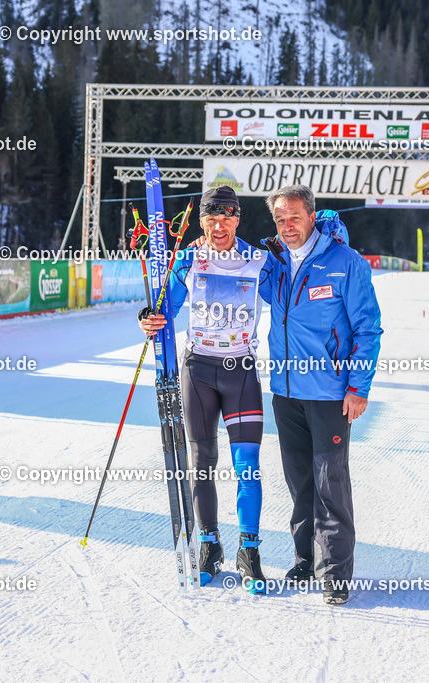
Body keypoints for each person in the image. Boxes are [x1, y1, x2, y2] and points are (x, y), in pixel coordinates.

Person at [139, 186, 270, 594]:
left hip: (241, 370)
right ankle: (210, 544)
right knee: (202, 461)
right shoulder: (188, 259)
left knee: (247, 464)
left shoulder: (259, 260)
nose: (219, 225)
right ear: (202, 222)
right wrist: (148, 317)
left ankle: (250, 551)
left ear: (237, 220)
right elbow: (165, 308)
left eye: (227, 217)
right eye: (211, 218)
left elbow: (299, 269)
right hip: (198, 369)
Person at [257, 185, 383, 606]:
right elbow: (227, 263)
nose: (287, 226)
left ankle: (335, 573)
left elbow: (368, 328)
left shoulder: (345, 263)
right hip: (286, 391)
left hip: (330, 394)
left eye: (294, 217)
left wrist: (358, 388)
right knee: (299, 482)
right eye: (279, 219)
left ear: (312, 216)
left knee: (331, 483)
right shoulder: (272, 263)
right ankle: (304, 557)